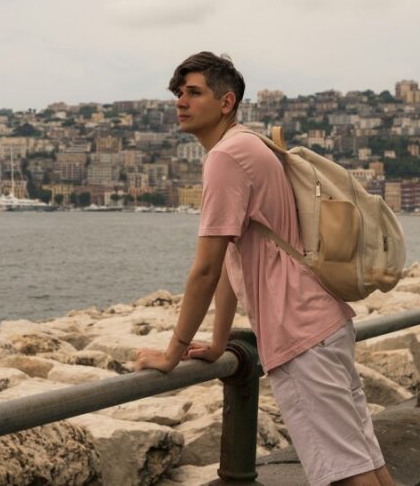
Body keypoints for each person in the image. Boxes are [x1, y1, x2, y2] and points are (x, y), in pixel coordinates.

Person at [135, 52, 394, 486]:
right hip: (322, 323)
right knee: (368, 466)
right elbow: (235, 261)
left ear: (226, 101)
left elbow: (206, 268)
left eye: (194, 92)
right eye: (178, 93)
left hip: (298, 335)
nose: (181, 101)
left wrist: (171, 353)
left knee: (349, 476)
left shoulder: (225, 158)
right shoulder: (250, 144)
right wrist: (217, 343)